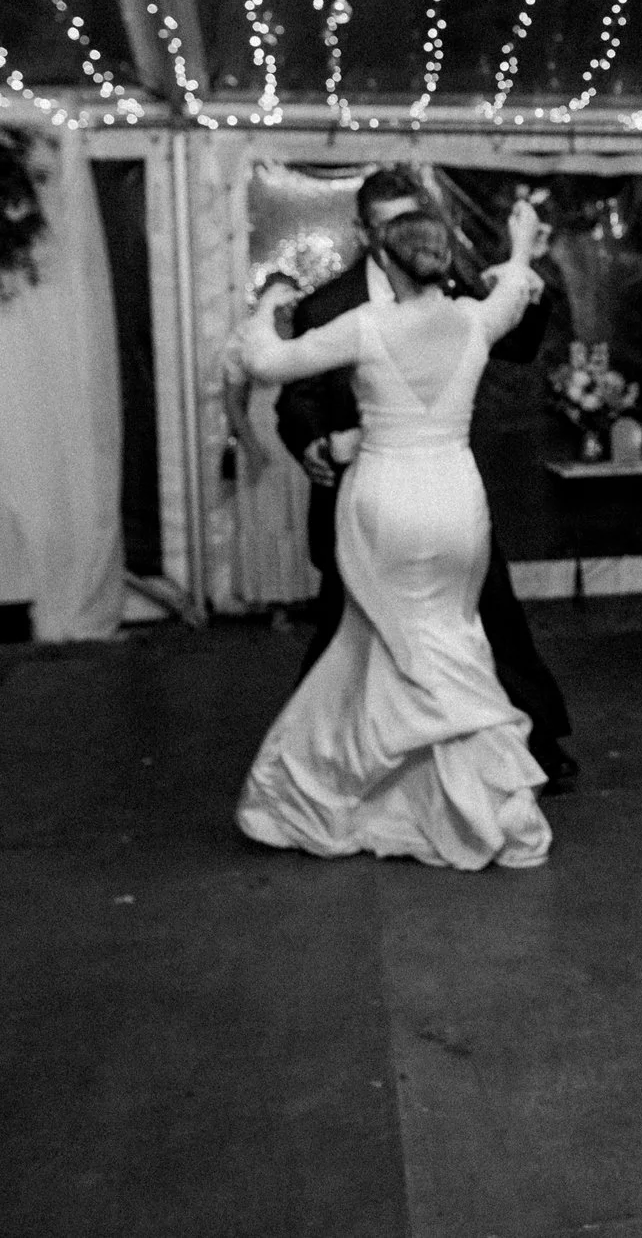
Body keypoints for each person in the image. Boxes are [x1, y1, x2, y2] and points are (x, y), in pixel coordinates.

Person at [231, 200, 554, 870]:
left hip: (389, 504)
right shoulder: (474, 318)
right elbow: (516, 289)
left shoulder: (367, 325)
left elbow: (266, 362)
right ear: (440, 260)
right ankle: (470, 798)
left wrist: (268, 304)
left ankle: (355, 789)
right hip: (457, 501)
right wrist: (520, 241)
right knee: (449, 641)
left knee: (396, 644)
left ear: (383, 259)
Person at [273, 168, 577, 788]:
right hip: (366, 503)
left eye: (416, 219)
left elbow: (514, 344)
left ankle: (532, 742)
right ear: (365, 231)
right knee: (348, 633)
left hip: (444, 493)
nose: (408, 235)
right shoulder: (326, 305)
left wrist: (529, 284)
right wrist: (310, 441)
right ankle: (326, 762)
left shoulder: (448, 283)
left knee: (489, 615)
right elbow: (296, 398)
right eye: (391, 224)